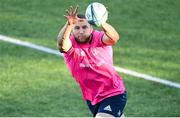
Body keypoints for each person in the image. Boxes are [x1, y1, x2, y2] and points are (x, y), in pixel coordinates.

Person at [57, 6, 127, 117]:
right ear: (72, 30)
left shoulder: (99, 38)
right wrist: (69, 24)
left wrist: (102, 22)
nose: (81, 31)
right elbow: (62, 46)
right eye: (76, 28)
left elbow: (114, 37)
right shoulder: (70, 44)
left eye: (84, 27)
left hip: (113, 92)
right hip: (92, 97)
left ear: (91, 28)